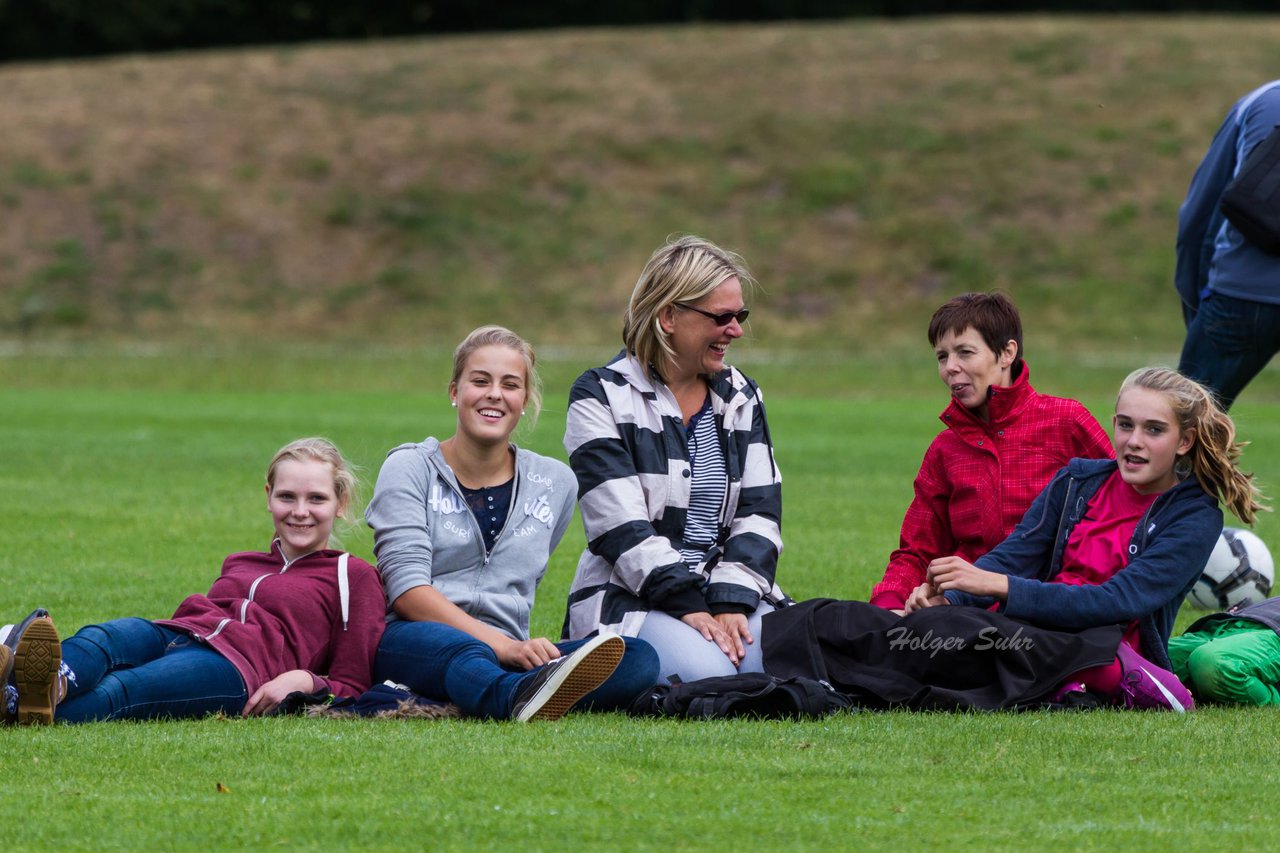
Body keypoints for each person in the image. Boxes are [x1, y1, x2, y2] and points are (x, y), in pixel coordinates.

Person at [765, 368, 1265, 712]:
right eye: (1125, 424)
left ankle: (1128, 684)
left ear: (1184, 441)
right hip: (1028, 627)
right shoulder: (1079, 480)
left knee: (971, 647)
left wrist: (997, 587)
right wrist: (950, 592)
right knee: (849, 619)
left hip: (1102, 643)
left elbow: (1119, 600)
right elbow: (1017, 555)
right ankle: (788, 647)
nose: (1133, 441)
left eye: (1153, 430)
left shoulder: (1193, 515)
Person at [366, 326, 658, 721]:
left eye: (510, 384)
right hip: (416, 639)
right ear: (455, 392)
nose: (494, 394)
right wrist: (502, 646)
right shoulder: (408, 468)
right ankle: (513, 695)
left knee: (636, 656)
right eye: (480, 381)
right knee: (464, 651)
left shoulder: (556, 483)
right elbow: (407, 591)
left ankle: (521, 684)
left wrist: (512, 648)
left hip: (511, 651)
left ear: (524, 400)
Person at [0, 438, 387, 725]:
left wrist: (305, 680)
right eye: (287, 497)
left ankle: (13, 695)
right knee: (102, 639)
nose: (300, 512)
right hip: (177, 632)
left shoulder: (353, 576)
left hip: (234, 667)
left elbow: (353, 683)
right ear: (269, 498)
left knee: (125, 688)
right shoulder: (241, 562)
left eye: (316, 499)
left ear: (341, 504)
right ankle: (47, 687)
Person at [561, 235, 786, 684]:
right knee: (712, 675)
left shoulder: (742, 395)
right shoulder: (600, 395)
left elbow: (761, 513)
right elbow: (619, 529)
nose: (736, 330)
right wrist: (690, 607)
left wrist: (728, 603)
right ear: (668, 317)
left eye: (740, 315)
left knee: (782, 662)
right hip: (633, 598)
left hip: (728, 598)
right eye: (722, 317)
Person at [869, 292, 1113, 612]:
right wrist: (888, 607)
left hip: (1051, 608)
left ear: (1006, 353)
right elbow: (917, 551)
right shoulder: (945, 450)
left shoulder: (1067, 421)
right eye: (942, 357)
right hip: (961, 608)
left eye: (965, 352)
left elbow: (1120, 512)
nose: (950, 368)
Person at [1176, 79, 1280, 411]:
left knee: (1186, 428)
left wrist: (1196, 300)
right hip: (1244, 295)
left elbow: (1199, 215)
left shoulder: (1264, 102)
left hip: (1244, 296)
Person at [1167, 597, 1280, 706]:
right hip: (1235, 621)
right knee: (1154, 661)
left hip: (1273, 634)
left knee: (1212, 663)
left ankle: (1273, 699)